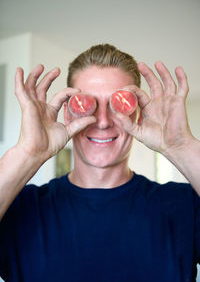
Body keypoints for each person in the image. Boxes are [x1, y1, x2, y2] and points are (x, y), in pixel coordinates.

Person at [0, 44, 200, 282]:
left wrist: (182, 147)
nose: (103, 122)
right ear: (67, 113)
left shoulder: (185, 206)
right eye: (86, 104)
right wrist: (27, 153)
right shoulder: (18, 208)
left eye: (119, 104)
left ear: (136, 114)